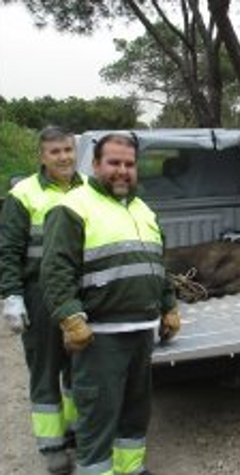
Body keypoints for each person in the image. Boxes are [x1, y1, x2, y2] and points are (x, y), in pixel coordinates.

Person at [41, 133, 181, 475]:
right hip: (99, 336)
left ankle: (130, 468)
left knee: (135, 412)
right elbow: (56, 270)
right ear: (95, 164)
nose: (123, 171)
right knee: (98, 415)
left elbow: (158, 266)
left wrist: (169, 306)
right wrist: (70, 317)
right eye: (114, 163)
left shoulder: (142, 209)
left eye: (130, 164)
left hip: (141, 332)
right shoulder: (72, 207)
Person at [0, 126, 84, 474]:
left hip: (78, 293)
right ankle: (52, 447)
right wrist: (11, 295)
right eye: (55, 152)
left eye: (67, 149)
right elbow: (8, 250)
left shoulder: (87, 188)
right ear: (41, 156)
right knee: (46, 370)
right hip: (39, 295)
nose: (64, 157)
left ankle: (77, 431)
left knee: (78, 369)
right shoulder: (23, 194)